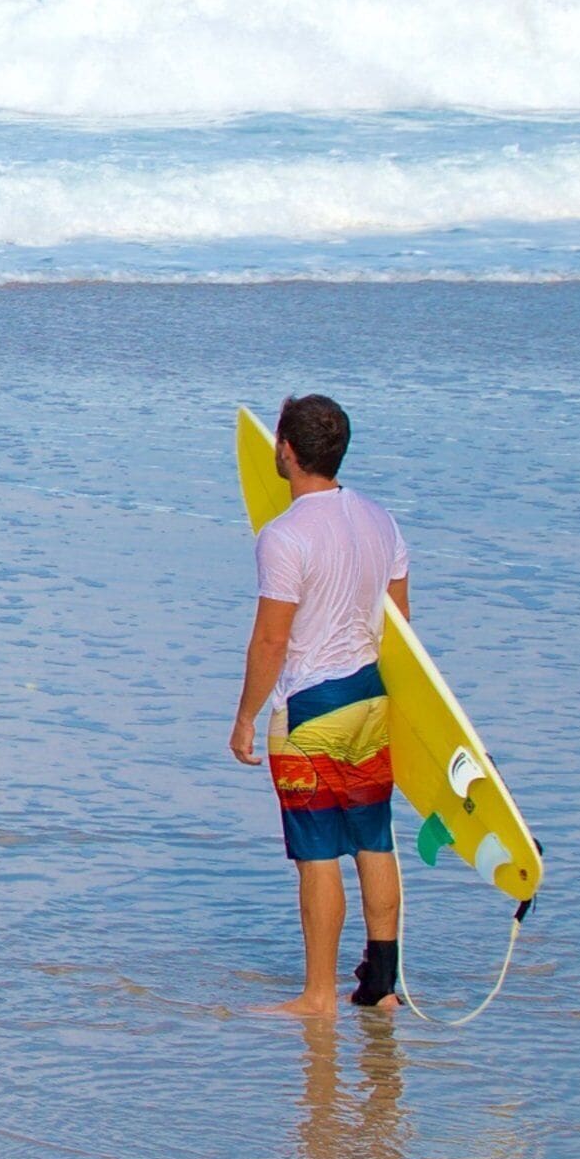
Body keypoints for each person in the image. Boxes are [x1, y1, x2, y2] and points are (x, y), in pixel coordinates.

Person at [229, 392, 410, 1019]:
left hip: (310, 710)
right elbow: (400, 626)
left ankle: (318, 996)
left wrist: (246, 715)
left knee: (317, 854)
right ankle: (381, 988)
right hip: (369, 699)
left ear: (285, 449)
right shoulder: (381, 519)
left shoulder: (285, 536)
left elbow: (273, 639)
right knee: (374, 842)